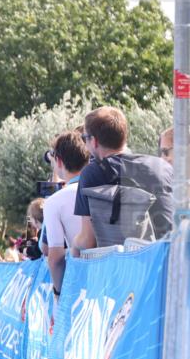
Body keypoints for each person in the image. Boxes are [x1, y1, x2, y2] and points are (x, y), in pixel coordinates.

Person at [73, 107, 174, 252]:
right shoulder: (161, 166)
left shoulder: (93, 173)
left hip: (131, 266)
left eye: (84, 139)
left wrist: (74, 246)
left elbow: (87, 240)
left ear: (94, 141)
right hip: (169, 260)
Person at [43, 130, 87, 298]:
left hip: (80, 282)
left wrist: (58, 292)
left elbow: (55, 257)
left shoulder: (54, 202)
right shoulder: (104, 189)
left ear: (59, 162)